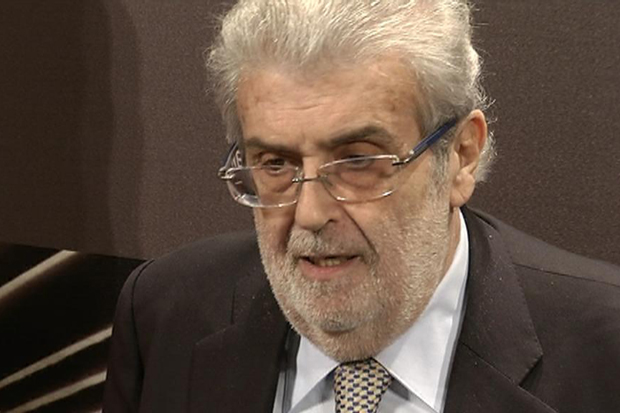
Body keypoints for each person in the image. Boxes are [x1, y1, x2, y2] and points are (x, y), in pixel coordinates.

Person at [103, 0, 620, 412]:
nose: (310, 214)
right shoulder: (165, 314)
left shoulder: (604, 355)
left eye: (357, 161)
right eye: (276, 163)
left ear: (462, 156)